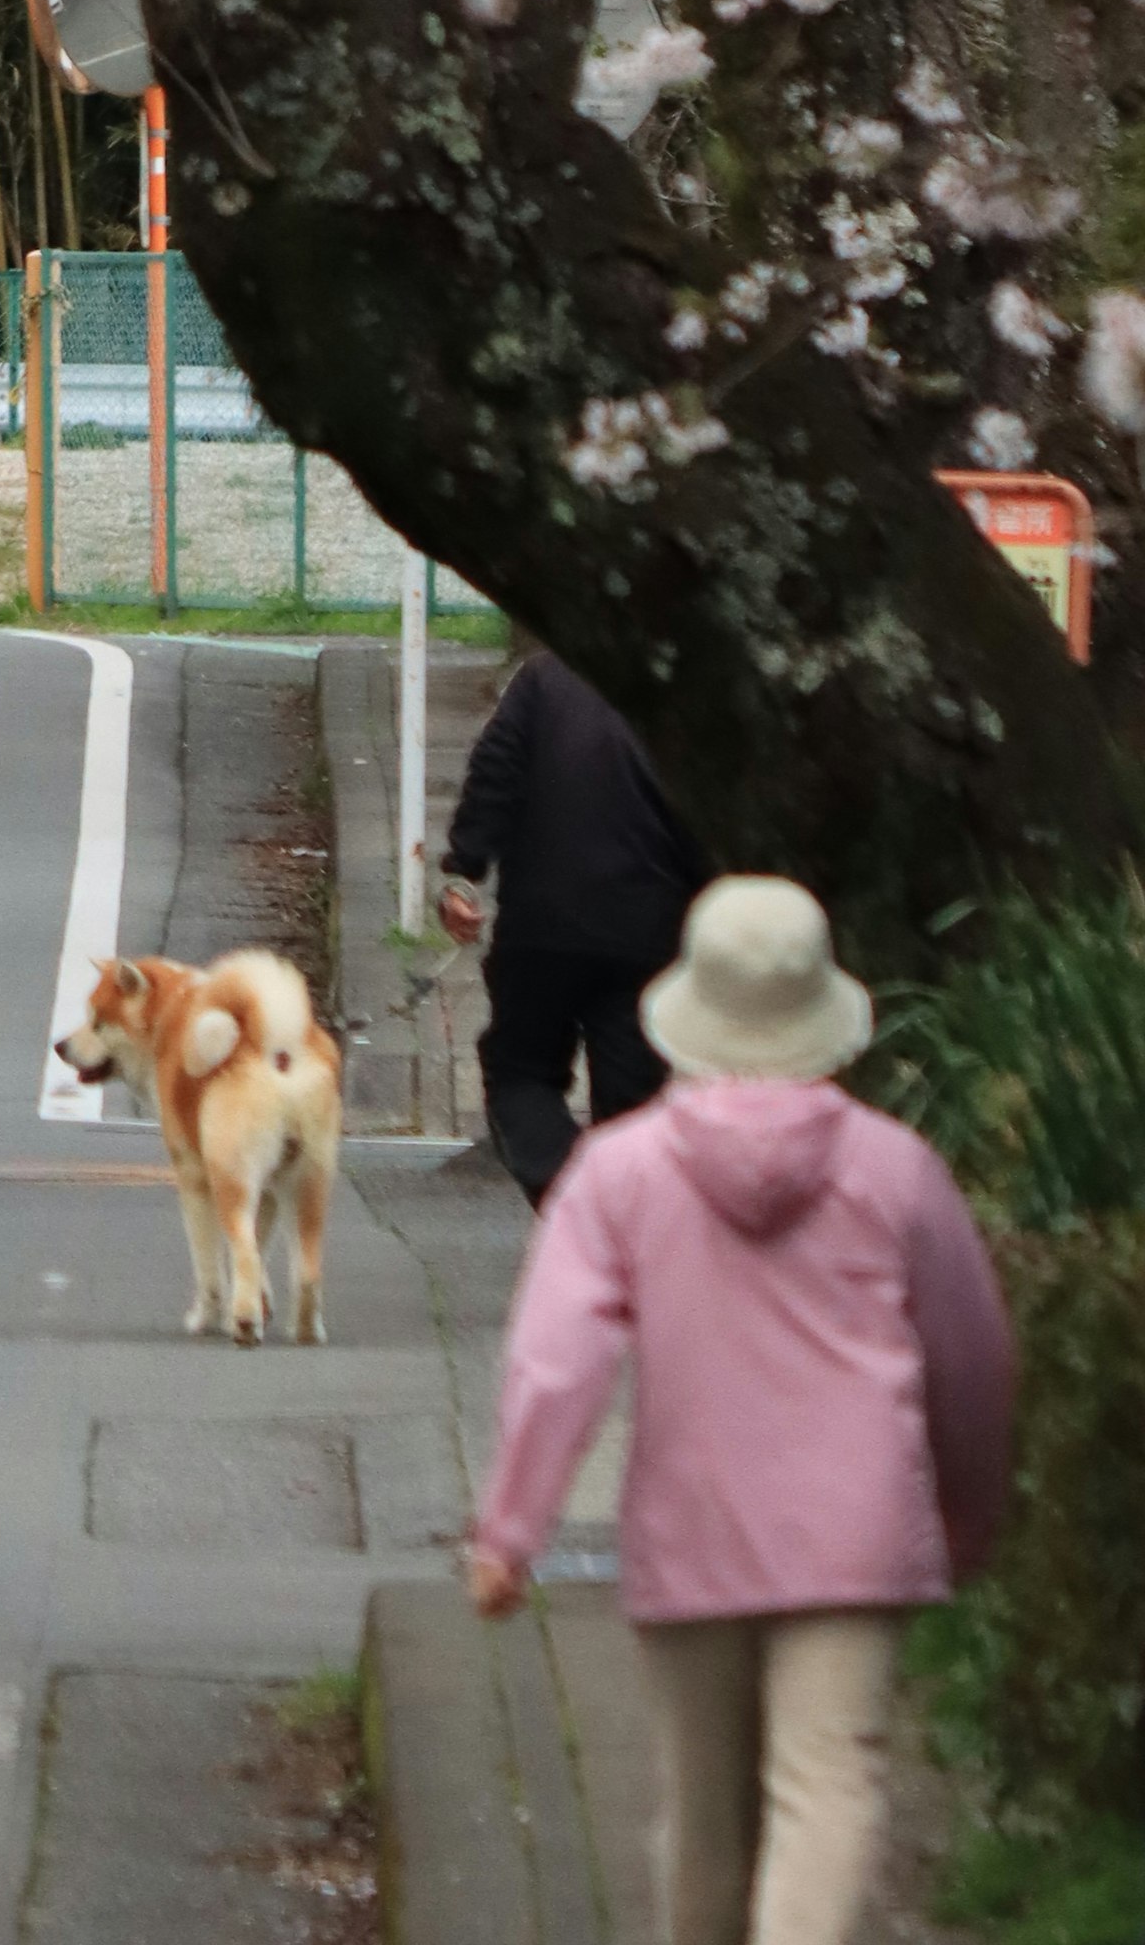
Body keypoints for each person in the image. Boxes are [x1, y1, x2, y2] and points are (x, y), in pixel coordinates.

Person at [465, 875, 1012, 1945]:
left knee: (703, 1810)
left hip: (695, 1519)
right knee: (830, 1783)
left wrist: (512, 1531)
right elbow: (974, 1358)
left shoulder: (618, 1175)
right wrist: (970, 1518)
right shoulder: (896, 1172)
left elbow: (556, 1358)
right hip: (858, 1529)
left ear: (690, 1018)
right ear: (825, 1021)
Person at [442, 635, 709, 1199]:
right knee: (634, 1101)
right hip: (651, 931)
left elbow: (496, 769)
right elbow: (711, 819)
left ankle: (573, 1197)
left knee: (519, 1073)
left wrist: (464, 870)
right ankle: (616, 1225)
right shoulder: (692, 698)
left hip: (541, 926)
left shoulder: (544, 680)